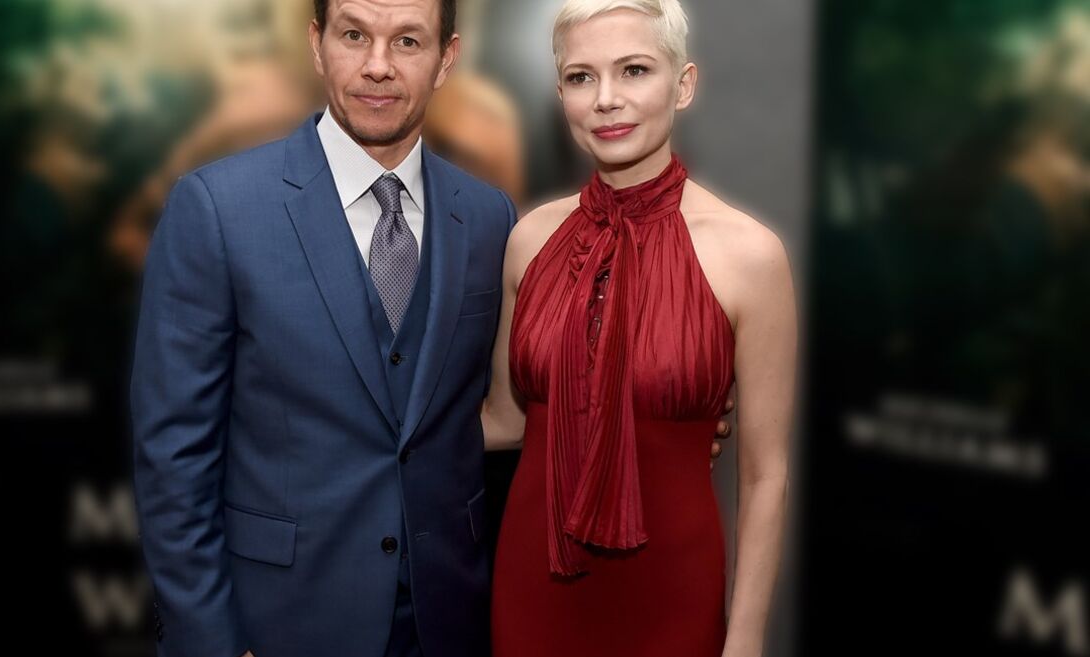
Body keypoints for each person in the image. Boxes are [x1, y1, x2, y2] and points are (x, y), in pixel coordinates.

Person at [130, 1, 732, 657]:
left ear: (447, 59)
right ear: (317, 44)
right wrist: (211, 644)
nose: (378, 65)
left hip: (455, 618)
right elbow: (172, 455)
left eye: (408, 41)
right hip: (282, 622)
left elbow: (525, 392)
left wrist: (658, 417)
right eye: (354, 35)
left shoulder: (490, 219)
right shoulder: (218, 209)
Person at [481, 2, 796, 656]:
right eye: (581, 77)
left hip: (673, 596)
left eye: (634, 70)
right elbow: (506, 423)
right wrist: (360, 425)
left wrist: (745, 640)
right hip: (533, 591)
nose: (606, 99)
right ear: (560, 95)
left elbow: (766, 476)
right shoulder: (528, 240)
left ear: (683, 84)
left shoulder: (751, 256)